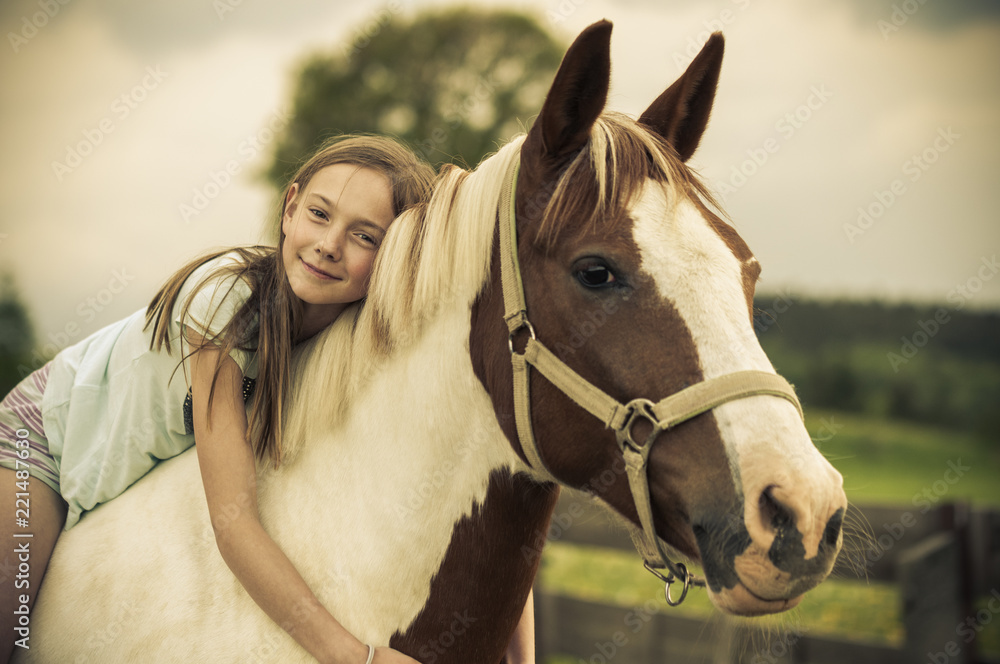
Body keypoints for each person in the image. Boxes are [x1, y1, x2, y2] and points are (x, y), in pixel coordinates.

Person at [0, 134, 535, 663]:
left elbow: (477, 494)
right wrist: (358, 658)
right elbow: (233, 523)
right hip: (39, 439)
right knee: (9, 625)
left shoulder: (357, 336)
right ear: (290, 208)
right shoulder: (226, 302)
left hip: (133, 461)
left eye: (365, 237)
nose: (329, 244)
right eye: (320, 215)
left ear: (395, 256)